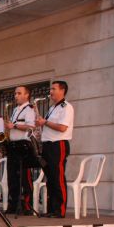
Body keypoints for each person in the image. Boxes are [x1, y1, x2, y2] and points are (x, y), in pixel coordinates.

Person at [35, 80, 73, 218]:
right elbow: (49, 126)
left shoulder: (66, 107)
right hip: (47, 145)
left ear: (62, 90)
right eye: (51, 89)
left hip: (58, 145)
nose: (51, 91)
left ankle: (60, 210)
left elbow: (62, 128)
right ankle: (52, 209)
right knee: (50, 178)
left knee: (58, 177)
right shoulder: (52, 108)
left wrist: (45, 122)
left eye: (54, 89)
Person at [5, 85, 36, 214]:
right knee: (12, 176)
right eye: (15, 93)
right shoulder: (16, 109)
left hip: (23, 145)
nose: (16, 96)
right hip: (13, 144)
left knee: (24, 177)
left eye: (19, 93)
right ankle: (14, 204)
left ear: (26, 95)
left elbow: (31, 127)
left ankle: (27, 205)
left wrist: (15, 125)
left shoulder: (29, 109)